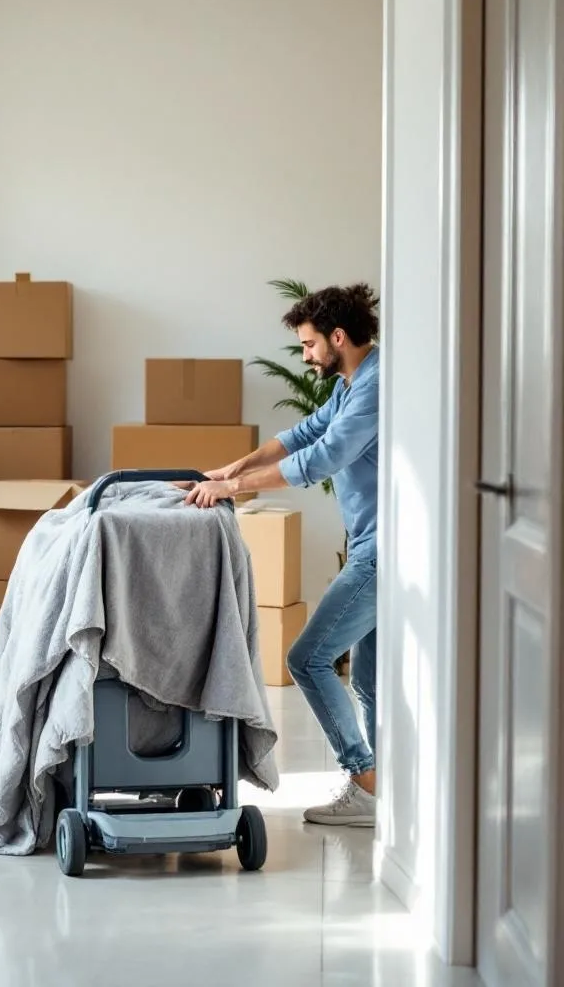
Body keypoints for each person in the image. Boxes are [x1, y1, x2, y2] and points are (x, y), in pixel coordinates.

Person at [181, 283, 380, 827]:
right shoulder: (351, 382)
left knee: (307, 659)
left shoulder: (375, 387)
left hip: (382, 550)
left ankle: (366, 782)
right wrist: (232, 471)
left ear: (338, 337)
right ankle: (385, 788)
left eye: (309, 344)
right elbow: (303, 433)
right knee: (368, 680)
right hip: (372, 542)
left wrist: (234, 490)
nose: (306, 356)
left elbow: (324, 458)